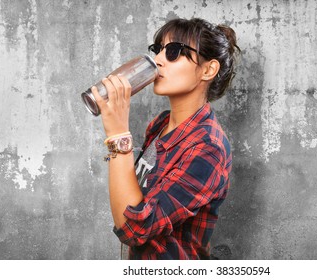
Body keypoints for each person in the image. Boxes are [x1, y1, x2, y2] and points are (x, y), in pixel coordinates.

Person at [91, 17, 239, 260]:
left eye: (173, 51)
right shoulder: (160, 124)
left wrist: (118, 136)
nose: (158, 60)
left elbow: (135, 230)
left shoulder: (208, 148)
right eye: (157, 49)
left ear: (208, 70)